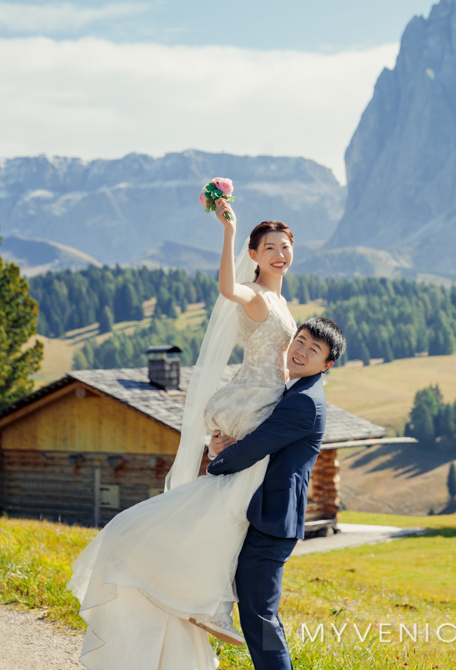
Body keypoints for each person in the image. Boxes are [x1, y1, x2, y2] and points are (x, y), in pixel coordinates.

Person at [68, 201, 301, 670]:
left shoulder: (280, 300)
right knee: (235, 502)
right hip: (255, 400)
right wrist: (228, 231)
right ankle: (205, 600)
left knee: (233, 499)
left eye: (285, 247)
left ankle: (202, 596)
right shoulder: (255, 294)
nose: (279, 254)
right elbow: (225, 287)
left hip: (268, 400)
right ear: (254, 255)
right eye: (270, 248)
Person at [206, 315, 343, 670]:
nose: (301, 351)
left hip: (273, 521)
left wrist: (217, 464)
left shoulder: (305, 401)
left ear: (327, 365)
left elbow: (257, 447)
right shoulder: (292, 390)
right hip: (260, 511)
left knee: (260, 616)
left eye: (314, 350)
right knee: (255, 611)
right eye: (300, 341)